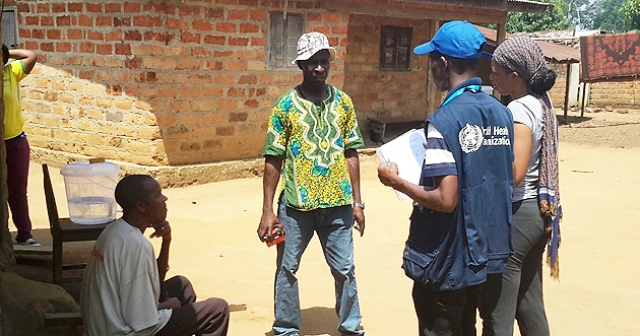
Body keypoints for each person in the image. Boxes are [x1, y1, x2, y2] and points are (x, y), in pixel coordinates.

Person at [377, 21, 514, 336]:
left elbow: (445, 198)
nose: (431, 68)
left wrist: (396, 182)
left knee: (441, 326)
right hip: (485, 253)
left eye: (432, 61)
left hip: (447, 258)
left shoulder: (444, 120)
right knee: (467, 326)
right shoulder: (501, 113)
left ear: (444, 63)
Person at [258, 32, 366, 336]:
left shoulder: (343, 103)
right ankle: (286, 329)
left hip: (338, 204)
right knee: (287, 269)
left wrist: (357, 203)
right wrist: (268, 210)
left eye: (324, 61)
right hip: (295, 205)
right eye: (313, 62)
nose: (320, 68)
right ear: (301, 65)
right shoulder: (285, 106)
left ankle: (350, 327)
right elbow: (273, 159)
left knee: (345, 270)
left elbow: (352, 153)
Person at [479, 36, 562, 336]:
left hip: (519, 210)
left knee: (498, 309)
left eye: (496, 71)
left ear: (515, 76)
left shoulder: (519, 110)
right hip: (538, 212)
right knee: (528, 302)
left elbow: (515, 170)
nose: (491, 76)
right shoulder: (542, 102)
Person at [80, 175, 230, 336]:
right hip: (122, 331)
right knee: (217, 310)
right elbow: (142, 324)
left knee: (181, 285)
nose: (165, 198)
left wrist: (166, 241)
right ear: (142, 206)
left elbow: (149, 286)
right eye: (158, 195)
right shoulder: (136, 245)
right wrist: (165, 307)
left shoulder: (115, 230)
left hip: (114, 320)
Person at [3, 44, 38, 246]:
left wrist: (7, 53)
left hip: (15, 141)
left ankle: (24, 235)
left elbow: (31, 55)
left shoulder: (11, 71)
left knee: (17, 190)